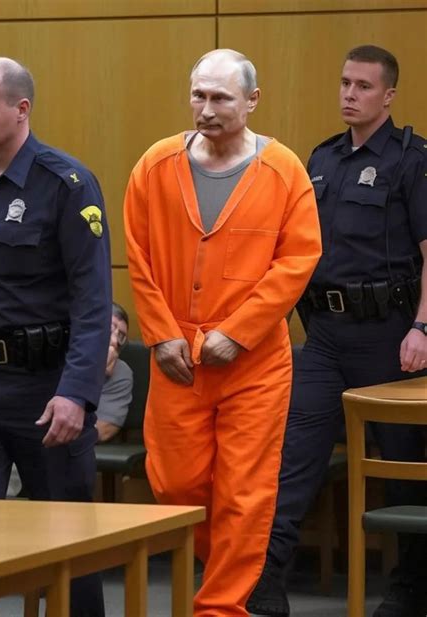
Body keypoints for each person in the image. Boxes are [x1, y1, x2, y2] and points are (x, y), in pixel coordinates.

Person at [124, 48, 321, 617]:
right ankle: (228, 571)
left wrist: (239, 331)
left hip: (253, 361)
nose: (206, 109)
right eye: (198, 95)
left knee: (244, 493)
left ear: (252, 101)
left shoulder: (284, 171)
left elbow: (299, 260)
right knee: (175, 484)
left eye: (220, 98)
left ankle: (221, 607)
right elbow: (137, 255)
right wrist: (160, 334)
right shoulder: (155, 165)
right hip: (175, 355)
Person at [247, 45, 427, 617]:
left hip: (391, 337)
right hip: (324, 337)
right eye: (346, 83)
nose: (350, 94)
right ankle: (266, 582)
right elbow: (296, 250)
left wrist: (423, 326)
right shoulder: (321, 159)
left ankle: (410, 588)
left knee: (404, 470)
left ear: (388, 95)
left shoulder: (412, 159)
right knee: (293, 459)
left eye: (364, 86)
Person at [0, 57, 112, 617]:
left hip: (48, 388)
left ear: (21, 109)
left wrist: (77, 394)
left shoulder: (66, 185)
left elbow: (93, 302)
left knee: (67, 537)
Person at [95, 302, 133, 442]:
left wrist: (97, 373)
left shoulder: (121, 371)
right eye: (109, 330)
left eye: (121, 336)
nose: (114, 341)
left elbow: (103, 430)